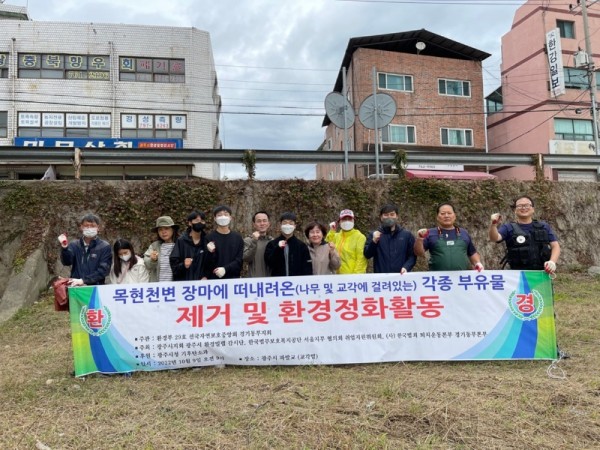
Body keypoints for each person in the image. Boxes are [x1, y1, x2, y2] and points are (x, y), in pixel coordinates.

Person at [489, 195, 560, 274]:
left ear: (533, 209)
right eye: (520, 206)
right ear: (515, 210)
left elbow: (555, 246)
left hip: (542, 273)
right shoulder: (508, 227)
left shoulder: (544, 226)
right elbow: (495, 238)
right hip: (517, 275)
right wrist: (493, 225)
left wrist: (552, 262)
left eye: (527, 205)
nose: (523, 208)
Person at [414, 202, 484, 272]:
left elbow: (472, 252)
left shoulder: (463, 233)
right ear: (437, 217)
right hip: (438, 278)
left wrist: (477, 263)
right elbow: (419, 253)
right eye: (443, 213)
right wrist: (420, 239)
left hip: (461, 278)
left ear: (455, 216)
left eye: (449, 213)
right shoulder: (429, 233)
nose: (446, 216)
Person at [58, 212, 112, 286]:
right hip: (76, 287)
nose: (89, 228)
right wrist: (65, 248)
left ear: (98, 228)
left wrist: (84, 280)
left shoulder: (104, 246)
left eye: (92, 226)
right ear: (81, 227)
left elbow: (103, 270)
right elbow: (67, 262)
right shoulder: (74, 245)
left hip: (96, 288)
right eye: (86, 226)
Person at [364, 204, 416, 274]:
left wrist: (406, 267)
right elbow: (367, 255)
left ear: (397, 216)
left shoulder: (406, 235)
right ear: (381, 217)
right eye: (386, 215)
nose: (389, 217)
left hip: (401, 277)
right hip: (381, 278)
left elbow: (412, 256)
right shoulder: (374, 234)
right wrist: (374, 241)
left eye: (392, 214)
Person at [264, 212, 312, 277]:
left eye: (291, 223)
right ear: (280, 225)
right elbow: (269, 263)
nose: (287, 225)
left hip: (297, 283)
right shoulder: (272, 244)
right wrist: (278, 248)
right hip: (278, 282)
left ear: (295, 226)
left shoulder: (301, 245)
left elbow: (307, 268)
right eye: (285, 222)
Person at [205, 205, 244, 279]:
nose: (223, 217)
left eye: (226, 214)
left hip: (233, 279)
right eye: (219, 215)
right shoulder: (209, 238)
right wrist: (210, 253)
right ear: (215, 219)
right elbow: (206, 263)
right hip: (214, 279)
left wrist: (225, 269)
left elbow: (239, 260)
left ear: (230, 218)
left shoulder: (237, 237)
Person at [170, 210, 210, 281]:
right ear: (190, 223)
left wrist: (206, 275)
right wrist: (183, 265)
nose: (200, 222)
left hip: (202, 286)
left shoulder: (207, 241)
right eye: (197, 220)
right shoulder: (181, 241)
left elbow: (211, 264)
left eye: (202, 220)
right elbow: (174, 266)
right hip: (184, 286)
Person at [325, 209, 368, 274]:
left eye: (349, 219)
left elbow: (361, 260)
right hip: (335, 276)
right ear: (339, 222)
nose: (347, 221)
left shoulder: (360, 237)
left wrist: (357, 277)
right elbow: (325, 247)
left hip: (350, 278)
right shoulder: (336, 236)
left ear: (353, 221)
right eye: (344, 219)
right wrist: (331, 232)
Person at [144, 216, 179, 282]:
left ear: (173, 229)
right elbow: (147, 264)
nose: (163, 232)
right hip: (158, 288)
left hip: (176, 287)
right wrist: (152, 260)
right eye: (160, 229)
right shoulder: (154, 246)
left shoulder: (180, 245)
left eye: (166, 228)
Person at [243, 211, 273, 277]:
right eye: (259, 221)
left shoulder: (272, 242)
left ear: (268, 224)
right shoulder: (248, 240)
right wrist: (254, 241)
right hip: (254, 282)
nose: (262, 223)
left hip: (271, 282)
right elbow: (246, 258)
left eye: (264, 221)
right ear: (254, 224)